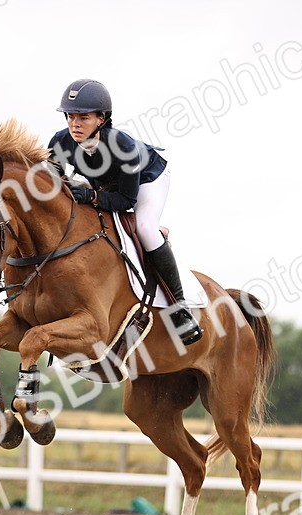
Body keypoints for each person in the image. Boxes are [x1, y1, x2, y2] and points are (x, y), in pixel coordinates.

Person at [47, 78, 202, 346]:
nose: (74, 124)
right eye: (70, 117)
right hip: (106, 184)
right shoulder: (60, 141)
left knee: (144, 227)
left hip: (147, 180)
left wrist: (92, 196)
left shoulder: (124, 147)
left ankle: (180, 308)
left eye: (83, 117)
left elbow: (126, 200)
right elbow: (52, 182)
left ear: (102, 119)